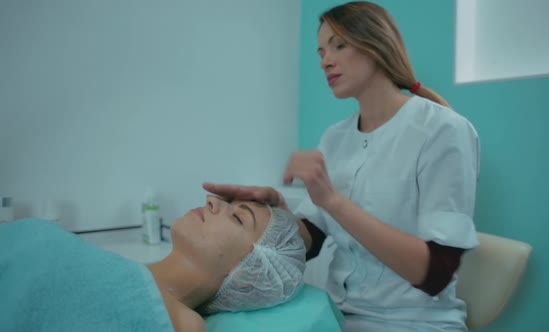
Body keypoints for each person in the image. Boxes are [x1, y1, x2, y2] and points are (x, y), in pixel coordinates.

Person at [203, 1, 480, 331]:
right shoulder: (335, 139)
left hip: (415, 323)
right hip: (339, 316)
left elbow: (434, 273)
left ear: (376, 45)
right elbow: (311, 240)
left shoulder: (443, 131)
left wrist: (333, 201)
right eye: (320, 52)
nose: (325, 61)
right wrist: (274, 211)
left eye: (339, 45)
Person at [0, 196, 306, 332]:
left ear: (247, 273)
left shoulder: (184, 324)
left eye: (238, 217)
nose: (213, 201)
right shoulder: (116, 269)